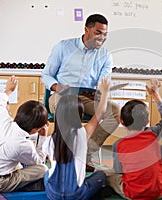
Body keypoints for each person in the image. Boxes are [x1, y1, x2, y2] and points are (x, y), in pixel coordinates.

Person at [41, 13, 120, 170]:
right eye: (98, 33)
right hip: (62, 94)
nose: (102, 38)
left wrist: (99, 91)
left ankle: (86, 153)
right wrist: (58, 88)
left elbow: (103, 82)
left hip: (86, 97)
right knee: (66, 102)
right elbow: (46, 75)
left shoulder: (105, 56)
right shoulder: (63, 47)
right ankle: (61, 154)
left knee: (116, 111)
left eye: (105, 34)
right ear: (86, 29)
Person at [98, 79, 162, 199]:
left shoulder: (118, 144)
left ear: (121, 122)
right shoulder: (153, 134)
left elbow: (119, 170)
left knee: (102, 171)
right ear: (147, 121)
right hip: (159, 193)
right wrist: (156, 95)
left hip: (133, 194)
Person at [43, 78, 110, 200]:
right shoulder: (81, 134)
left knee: (48, 173)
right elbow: (101, 112)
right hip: (76, 195)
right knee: (101, 174)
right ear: (80, 116)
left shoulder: (49, 140)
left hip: (53, 194)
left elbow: (53, 163)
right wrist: (105, 92)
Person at [0, 75, 49, 192]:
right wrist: (43, 137)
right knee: (43, 169)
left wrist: (8, 90)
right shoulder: (24, 145)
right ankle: (31, 187)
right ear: (36, 129)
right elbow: (40, 161)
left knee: (18, 165)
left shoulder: (3, 121)